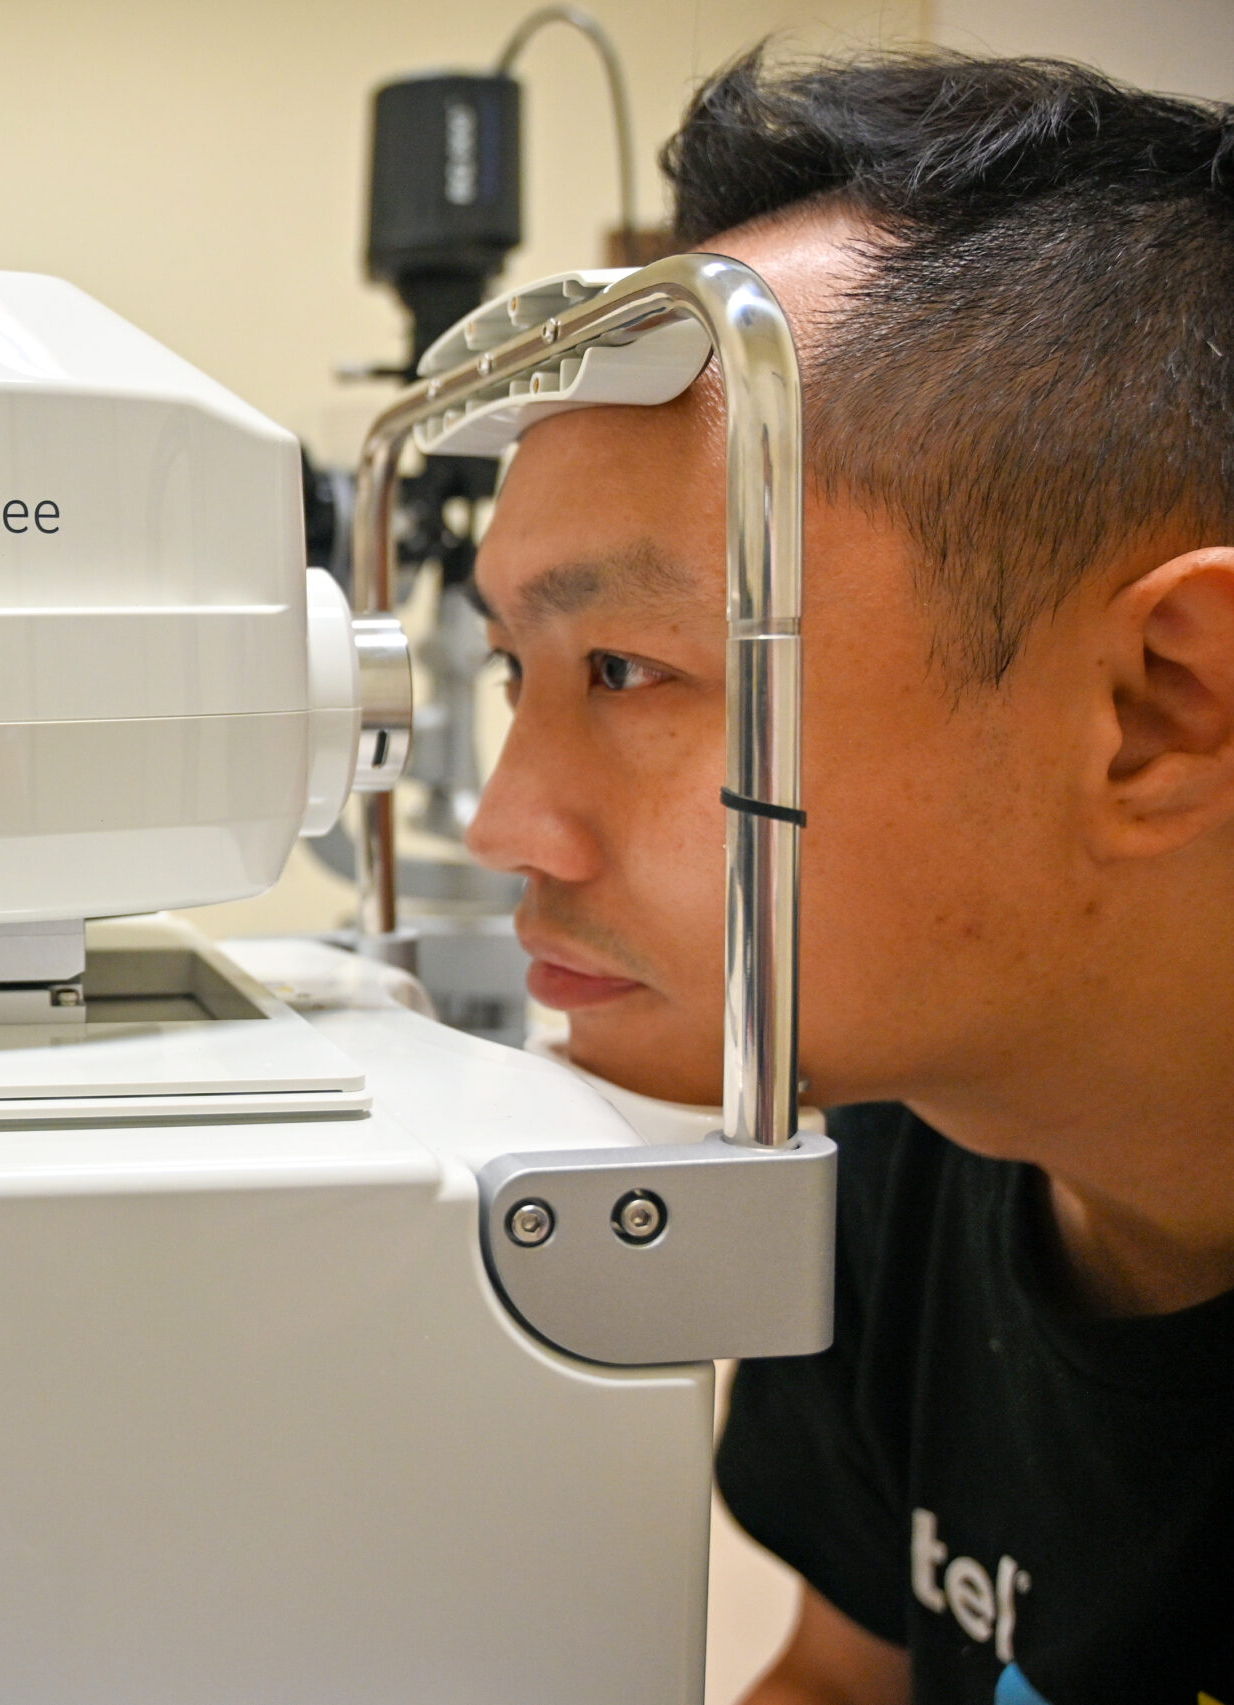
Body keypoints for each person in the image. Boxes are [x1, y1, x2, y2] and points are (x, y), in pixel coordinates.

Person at [464, 50, 1234, 1705]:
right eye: (511, 672)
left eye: (624, 669)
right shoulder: (917, 1137)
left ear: (1169, 705)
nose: (511, 827)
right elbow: (841, 1678)